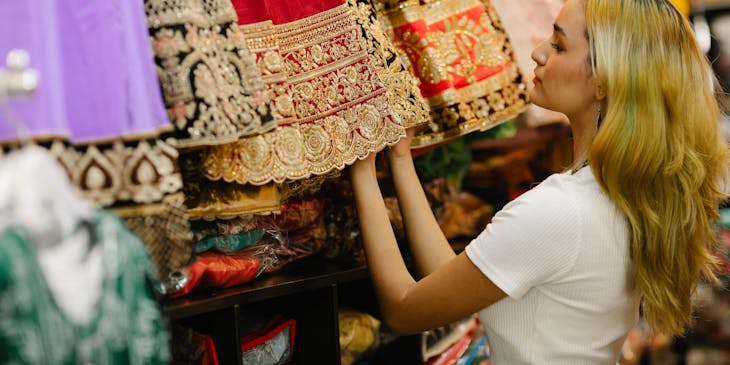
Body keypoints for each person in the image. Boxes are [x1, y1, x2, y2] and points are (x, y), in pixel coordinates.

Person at [348, 0, 730, 363]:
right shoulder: (618, 194)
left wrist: (360, 166)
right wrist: (400, 161)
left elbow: (403, 310)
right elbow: (450, 282)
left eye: (560, 45)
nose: (539, 52)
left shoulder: (559, 211)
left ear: (604, 81)